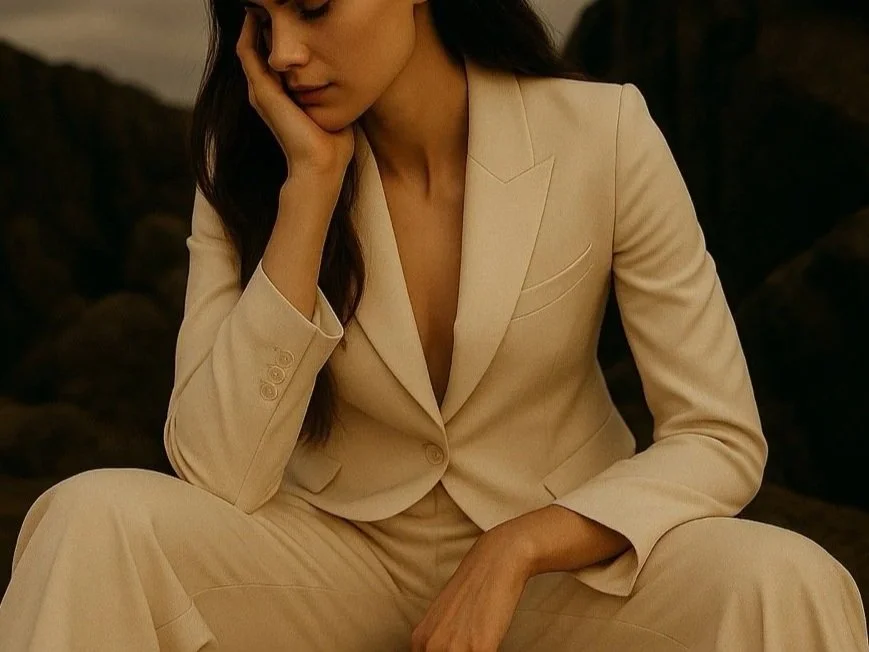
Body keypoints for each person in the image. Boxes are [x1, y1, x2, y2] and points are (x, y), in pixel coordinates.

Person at [0, 0, 867, 649]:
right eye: (261, 21)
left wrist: (520, 546)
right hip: (331, 567)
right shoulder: (249, 162)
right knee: (90, 516)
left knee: (785, 577)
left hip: (560, 574)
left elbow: (717, 436)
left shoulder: (603, 133)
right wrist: (307, 193)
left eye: (313, 7)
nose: (287, 52)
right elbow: (215, 471)